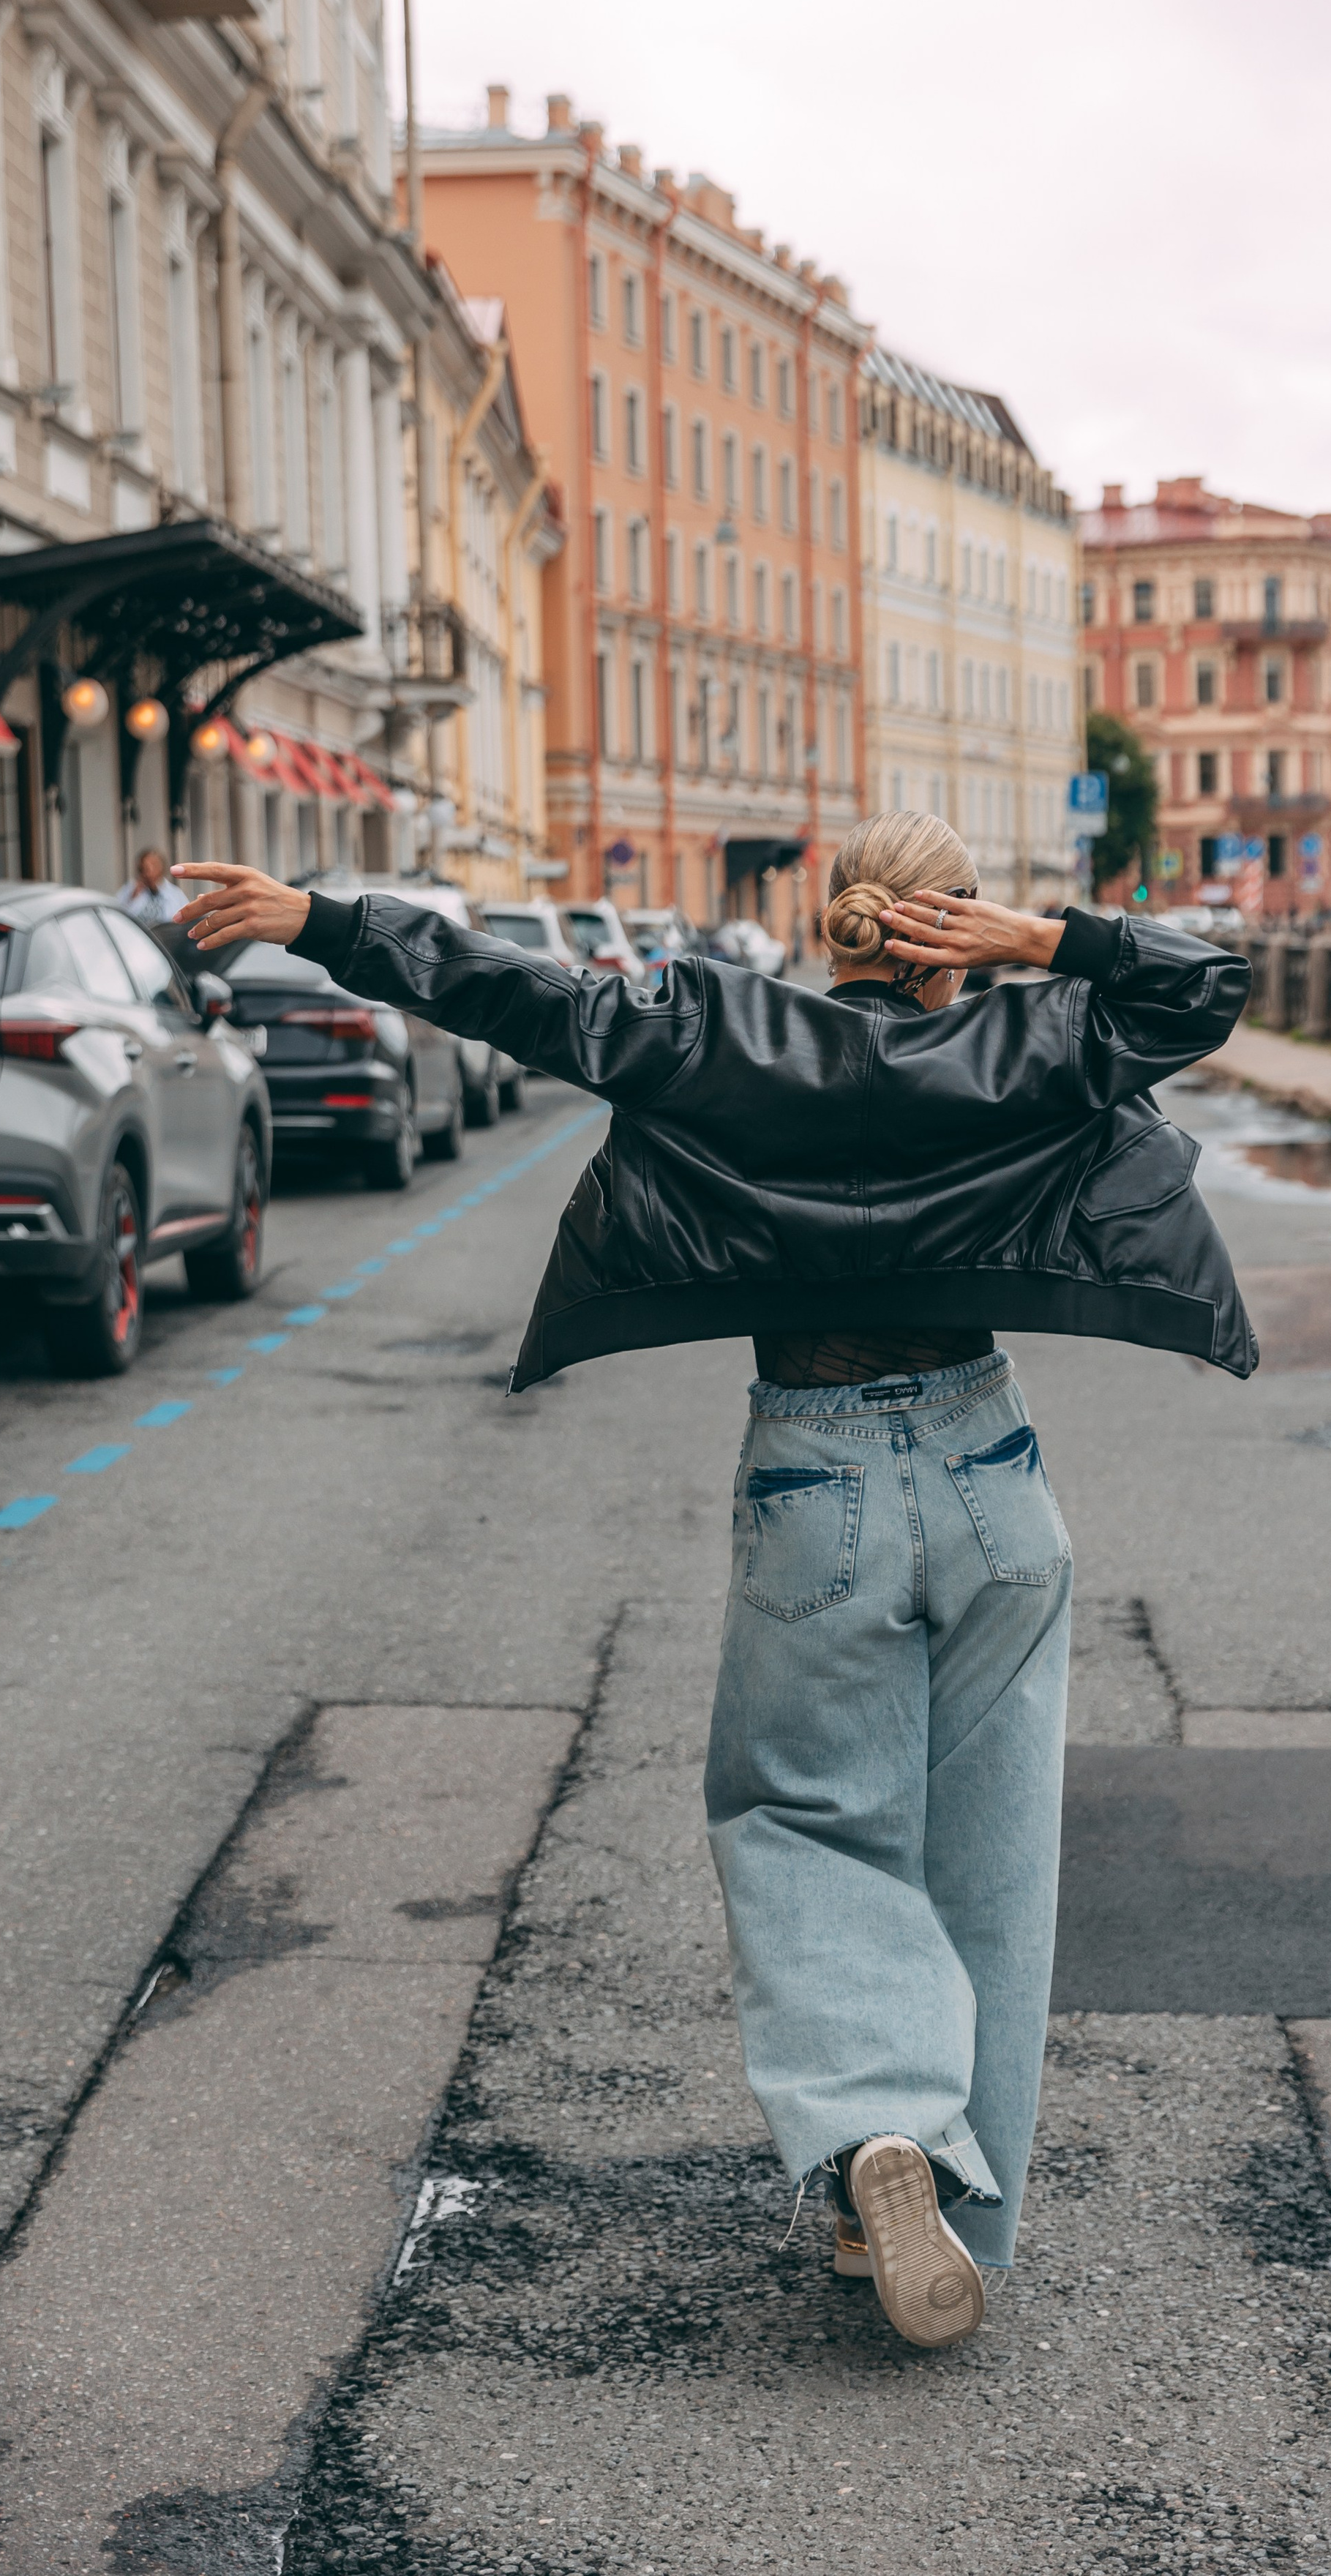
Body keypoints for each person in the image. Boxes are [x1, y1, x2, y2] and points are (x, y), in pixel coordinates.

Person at [171, 814, 1255, 2352]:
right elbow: (1203, 988)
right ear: (950, 926)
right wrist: (1039, 945)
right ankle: (956, 2203)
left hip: (813, 1470)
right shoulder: (1037, 1041)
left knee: (803, 1814)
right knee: (996, 1861)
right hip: (992, 1475)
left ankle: (881, 2134)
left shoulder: (713, 1029)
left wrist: (317, 914)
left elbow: (506, 990)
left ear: (831, 923)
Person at [116, 847, 187, 925]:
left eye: (152, 867)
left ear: (161, 868)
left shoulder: (175, 894)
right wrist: (134, 897)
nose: (147, 873)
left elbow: (186, 918)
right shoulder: (130, 889)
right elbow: (118, 917)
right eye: (144, 868)